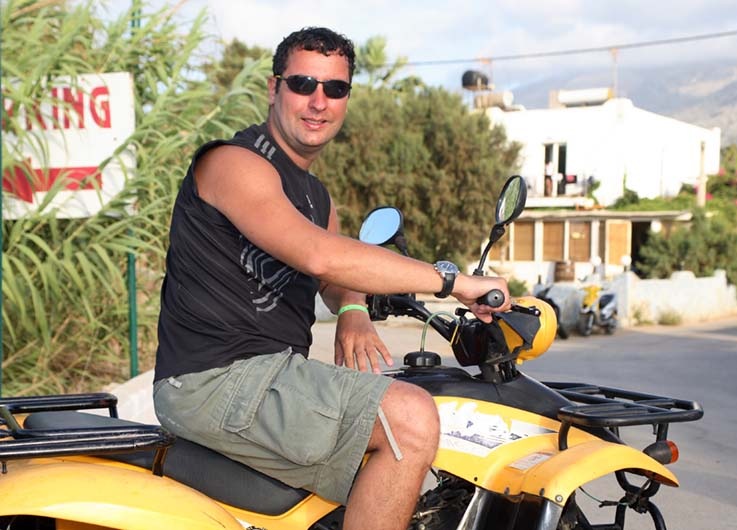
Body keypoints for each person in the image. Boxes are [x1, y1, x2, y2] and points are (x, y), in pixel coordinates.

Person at [152, 27, 510, 530]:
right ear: (274, 89)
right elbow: (319, 255)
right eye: (303, 84)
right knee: (410, 417)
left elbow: (336, 274)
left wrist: (354, 309)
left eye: (335, 88)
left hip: (264, 376)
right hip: (216, 379)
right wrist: (454, 283)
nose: (318, 101)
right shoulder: (234, 164)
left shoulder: (316, 197)